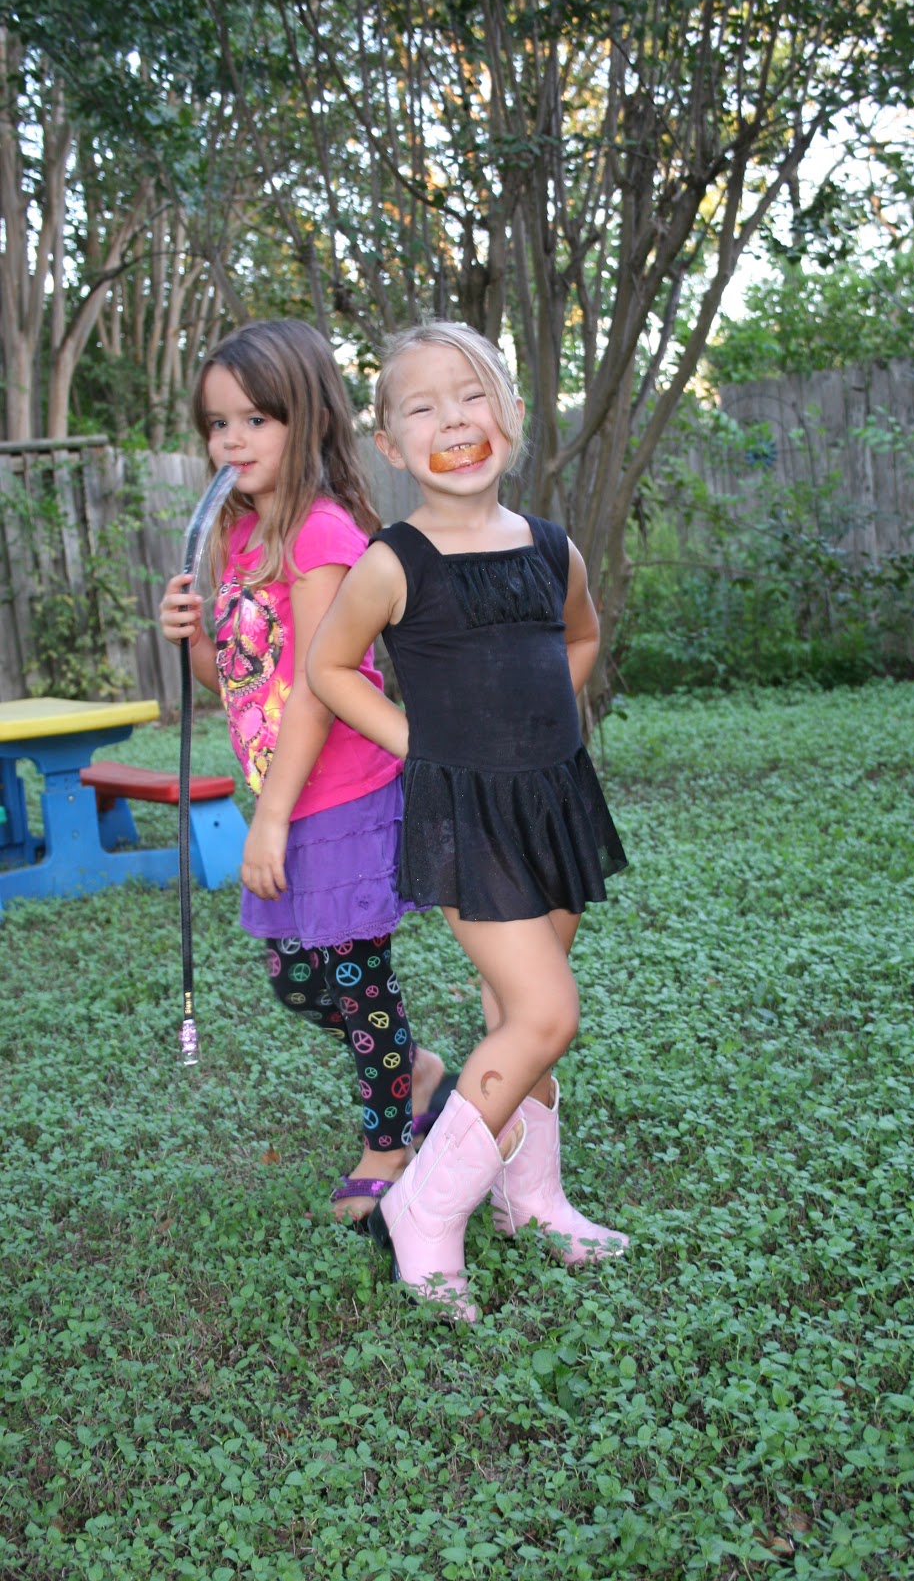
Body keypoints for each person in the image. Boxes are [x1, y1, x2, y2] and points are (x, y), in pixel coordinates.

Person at [306, 320, 629, 1321]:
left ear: (511, 416)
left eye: (472, 394)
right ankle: (422, 1212)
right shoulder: (392, 562)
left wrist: (537, 725)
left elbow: (580, 637)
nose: (453, 419)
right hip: (468, 816)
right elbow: (328, 666)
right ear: (390, 446)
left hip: (552, 800)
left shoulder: (550, 548)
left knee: (514, 1018)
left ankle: (531, 1200)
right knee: (546, 1013)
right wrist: (421, 741)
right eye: (422, 406)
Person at [158, 318, 453, 1228]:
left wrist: (272, 817)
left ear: (308, 420)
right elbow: (239, 679)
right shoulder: (242, 538)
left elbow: (321, 692)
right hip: (290, 793)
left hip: (342, 796)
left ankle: (387, 1146)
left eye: (256, 419)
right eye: (218, 424)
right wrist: (192, 637)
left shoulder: (323, 535)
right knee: (297, 980)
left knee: (357, 980)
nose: (232, 441)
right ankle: (417, 1070)